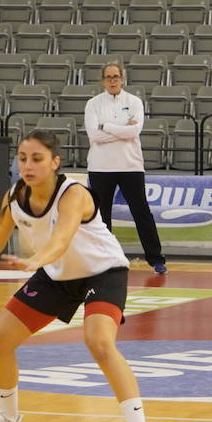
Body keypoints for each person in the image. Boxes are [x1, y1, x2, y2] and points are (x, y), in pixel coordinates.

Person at [0, 130, 160, 422]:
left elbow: (61, 239)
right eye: (22, 158)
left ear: (56, 162)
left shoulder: (73, 194)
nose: (27, 166)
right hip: (56, 274)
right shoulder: (14, 196)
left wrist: (34, 261)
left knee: (99, 342)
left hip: (102, 272)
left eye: (37, 159)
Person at [84, 61, 166, 275]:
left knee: (141, 212)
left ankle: (156, 259)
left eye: (116, 77)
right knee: (101, 216)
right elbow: (94, 136)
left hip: (131, 166)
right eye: (108, 77)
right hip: (100, 167)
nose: (112, 80)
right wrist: (121, 130)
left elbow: (134, 131)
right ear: (103, 80)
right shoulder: (93, 104)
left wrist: (107, 127)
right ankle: (105, 261)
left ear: (122, 79)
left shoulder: (135, 101)